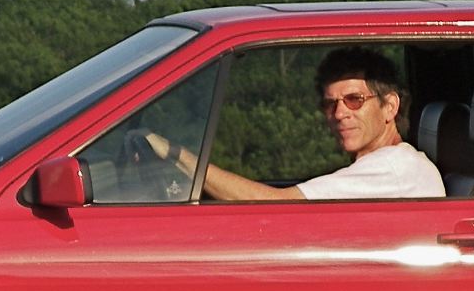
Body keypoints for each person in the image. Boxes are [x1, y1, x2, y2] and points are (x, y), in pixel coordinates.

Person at [144, 47, 446, 201]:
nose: (339, 113)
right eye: (330, 104)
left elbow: (277, 205)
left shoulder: (392, 168)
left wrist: (177, 155)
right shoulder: (391, 166)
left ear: (389, 106)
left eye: (354, 100)